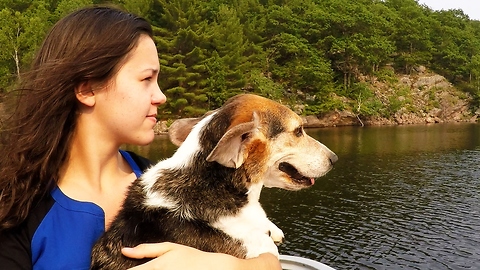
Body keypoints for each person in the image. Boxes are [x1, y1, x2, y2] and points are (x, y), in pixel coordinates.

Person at [0, 5, 281, 270]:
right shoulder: (15, 206)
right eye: (147, 79)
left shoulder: (169, 188)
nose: (161, 96)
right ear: (86, 90)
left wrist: (224, 265)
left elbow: (269, 261)